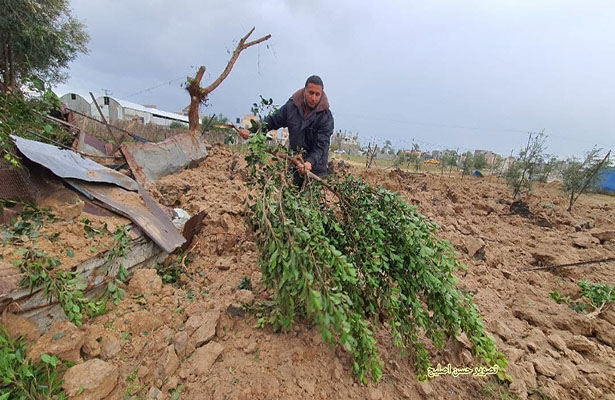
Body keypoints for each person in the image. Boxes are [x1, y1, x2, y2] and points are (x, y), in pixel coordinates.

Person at [240, 75, 334, 180]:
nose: (313, 98)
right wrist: (253, 132)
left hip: (316, 171)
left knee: (310, 195)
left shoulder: (326, 118)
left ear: (321, 95)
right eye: (311, 93)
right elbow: (272, 121)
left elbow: (321, 146)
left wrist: (309, 162)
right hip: (294, 164)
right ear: (304, 91)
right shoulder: (291, 107)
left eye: (317, 94)